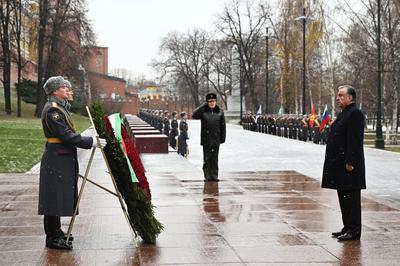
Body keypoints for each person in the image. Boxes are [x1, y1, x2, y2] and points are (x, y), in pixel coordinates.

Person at [38, 76, 106, 250]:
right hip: (57, 158)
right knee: (53, 198)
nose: (68, 91)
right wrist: (89, 142)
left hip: (62, 157)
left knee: (58, 196)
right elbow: (65, 135)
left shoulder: (60, 108)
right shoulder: (53, 110)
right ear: (55, 91)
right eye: (64, 88)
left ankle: (57, 232)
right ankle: (52, 238)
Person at [322, 85, 366, 241]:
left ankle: (354, 231)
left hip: (349, 166)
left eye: (341, 95)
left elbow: (354, 140)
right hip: (341, 165)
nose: (337, 98)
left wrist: (350, 161)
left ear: (350, 98)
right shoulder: (345, 113)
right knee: (344, 197)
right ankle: (347, 227)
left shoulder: (355, 114)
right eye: (338, 95)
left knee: (352, 199)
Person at [192, 93, 226, 182]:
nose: (212, 103)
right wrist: (203, 105)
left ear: (216, 102)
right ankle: (207, 176)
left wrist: (222, 138)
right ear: (207, 102)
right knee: (207, 159)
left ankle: (214, 176)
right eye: (210, 101)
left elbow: (223, 126)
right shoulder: (203, 111)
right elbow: (194, 115)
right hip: (206, 139)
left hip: (216, 139)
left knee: (214, 159)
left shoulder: (220, 112)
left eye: (213, 101)